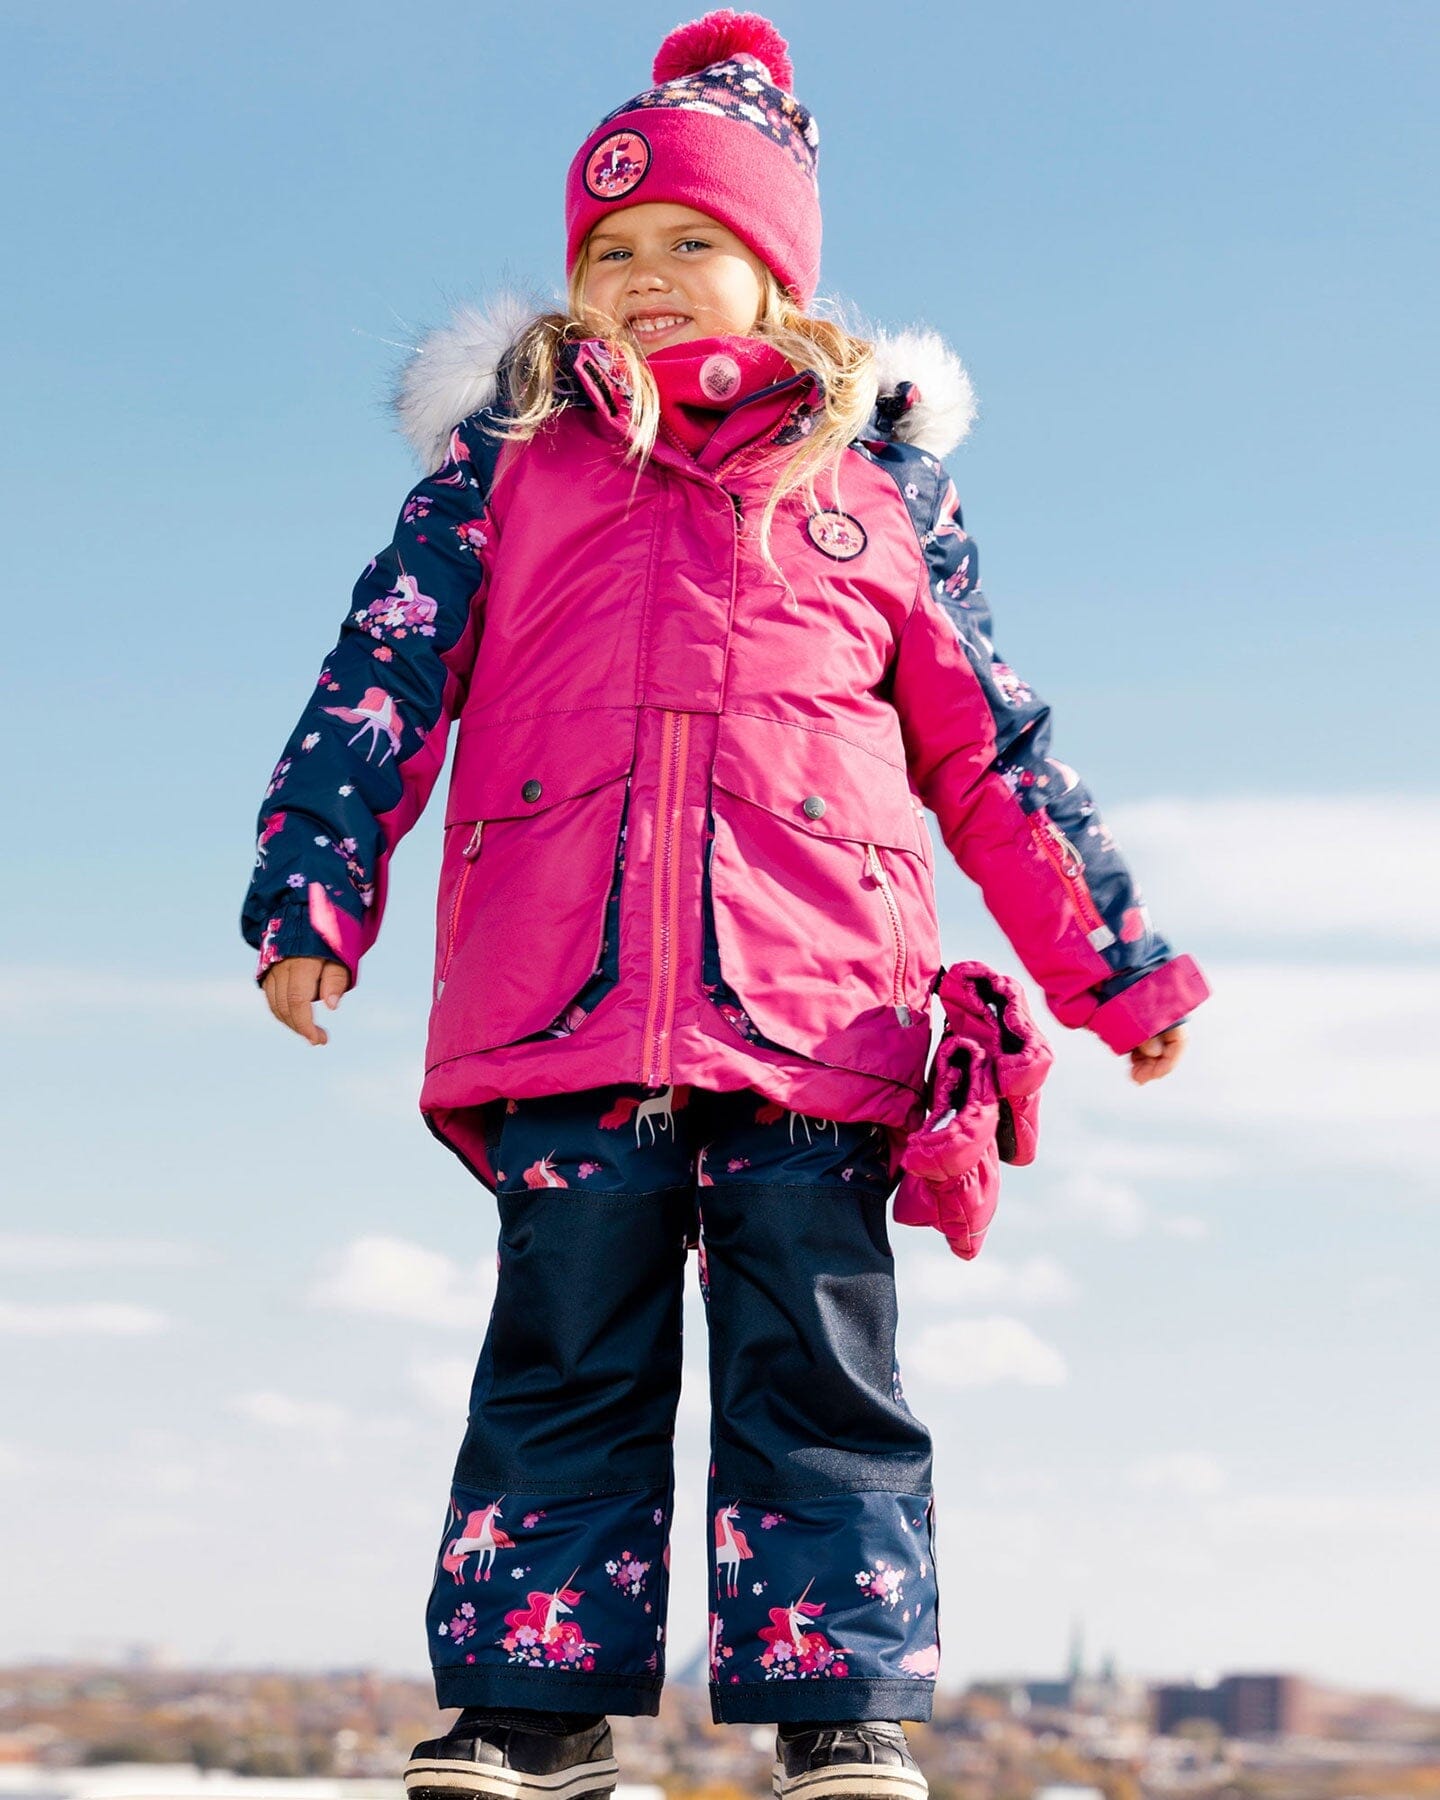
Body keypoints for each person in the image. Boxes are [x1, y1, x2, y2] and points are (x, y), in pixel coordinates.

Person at [240, 12, 1210, 1799]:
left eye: (693, 239)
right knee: (563, 1357)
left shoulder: (878, 495)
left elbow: (990, 751)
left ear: (782, 274)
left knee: (817, 1366)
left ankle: (840, 1710)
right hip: (564, 997)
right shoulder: (507, 471)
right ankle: (534, 1710)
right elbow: (379, 679)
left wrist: (1118, 964)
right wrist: (315, 886)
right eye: (609, 252)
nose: (645, 277)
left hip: (818, 1011)